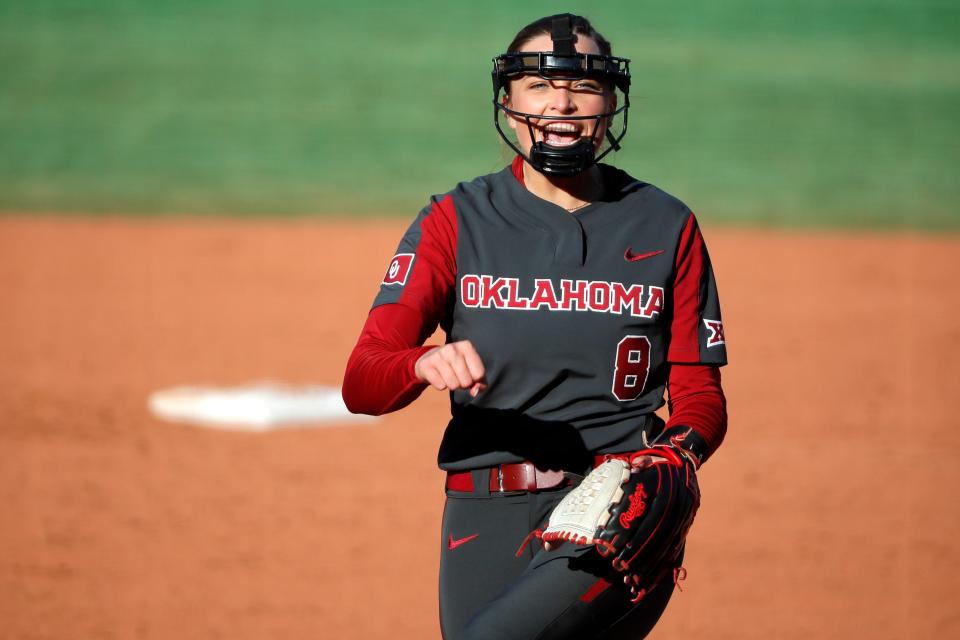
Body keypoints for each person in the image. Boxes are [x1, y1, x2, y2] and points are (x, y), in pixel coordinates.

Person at [342, 13, 727, 640]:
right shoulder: (456, 221)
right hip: (480, 508)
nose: (563, 103)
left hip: (614, 514)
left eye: (584, 85)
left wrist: (675, 456)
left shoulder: (665, 225)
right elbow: (362, 382)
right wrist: (418, 363)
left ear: (612, 102)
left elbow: (700, 394)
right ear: (509, 101)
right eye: (540, 86)